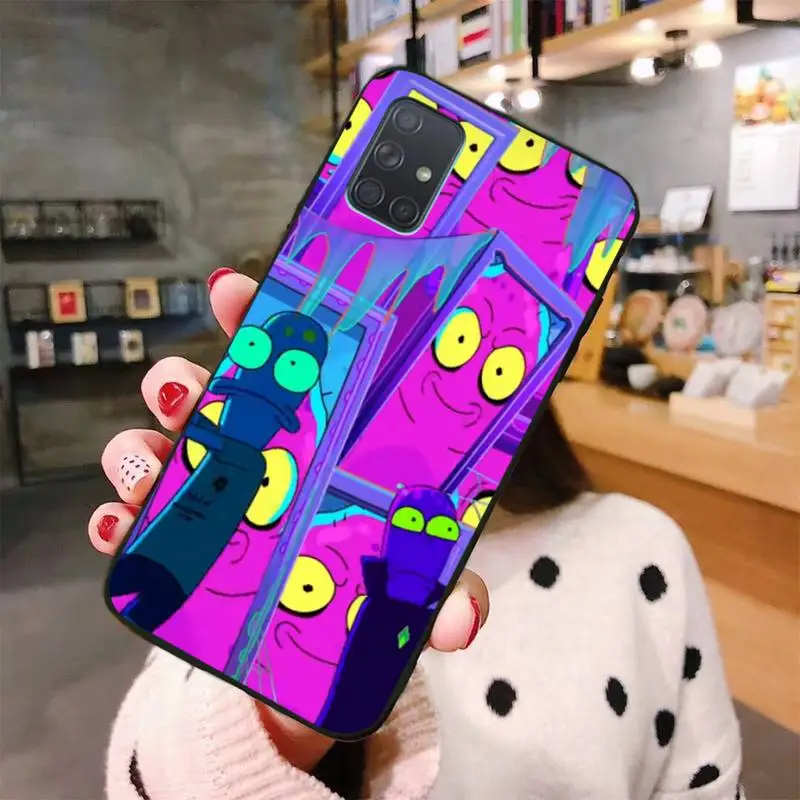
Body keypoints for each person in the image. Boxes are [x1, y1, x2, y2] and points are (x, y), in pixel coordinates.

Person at [89, 268, 744, 800]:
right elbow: (149, 774)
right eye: (444, 343)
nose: (448, 385)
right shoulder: (262, 543)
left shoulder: (639, 546)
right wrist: (276, 723)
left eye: (490, 360)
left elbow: (706, 785)